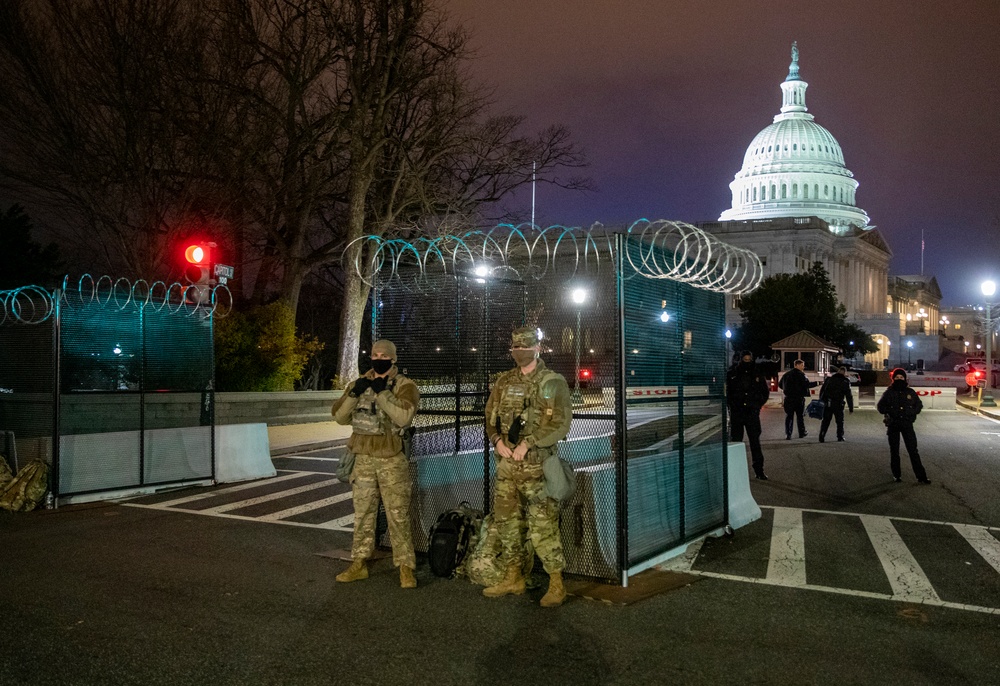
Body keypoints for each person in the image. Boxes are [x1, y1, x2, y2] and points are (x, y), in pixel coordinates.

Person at [482, 326, 573, 607]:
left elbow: (561, 423)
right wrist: (496, 440)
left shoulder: (552, 382)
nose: (519, 351)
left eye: (524, 347)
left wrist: (529, 443)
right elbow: (490, 416)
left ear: (537, 348)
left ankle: (557, 583)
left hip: (537, 467)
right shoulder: (503, 382)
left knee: (543, 525)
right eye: (515, 347)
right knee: (507, 522)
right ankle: (514, 577)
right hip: (507, 466)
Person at [331, 339, 421, 587]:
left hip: (391, 460)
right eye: (374, 354)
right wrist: (353, 393)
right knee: (362, 514)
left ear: (393, 359)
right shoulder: (357, 384)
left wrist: (382, 393)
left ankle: (405, 568)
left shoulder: (404, 386)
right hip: (363, 460)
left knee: (398, 515)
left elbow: (403, 417)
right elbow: (339, 416)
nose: (378, 358)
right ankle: (359, 563)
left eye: (383, 355)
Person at [876, 368, 930, 484]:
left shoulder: (910, 392)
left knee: (913, 451)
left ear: (905, 378)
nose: (899, 379)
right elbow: (880, 407)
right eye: (897, 378)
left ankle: (921, 476)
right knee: (894, 451)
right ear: (893, 379)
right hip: (893, 424)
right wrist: (891, 411)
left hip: (907, 424)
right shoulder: (889, 392)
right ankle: (897, 475)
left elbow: (918, 405)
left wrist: (911, 413)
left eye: (901, 377)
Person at [726, 350, 771, 480]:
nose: (746, 361)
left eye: (748, 359)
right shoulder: (732, 374)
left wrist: (757, 405)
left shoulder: (757, 373)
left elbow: (764, 392)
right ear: (740, 360)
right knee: (736, 442)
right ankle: (735, 470)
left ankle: (759, 470)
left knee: (755, 442)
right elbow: (728, 393)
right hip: (738, 412)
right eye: (744, 359)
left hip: (752, 412)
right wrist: (732, 405)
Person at [778, 359, 816, 439]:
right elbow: (807, 384)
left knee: (789, 416)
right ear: (796, 365)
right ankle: (801, 433)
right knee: (800, 416)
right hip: (799, 398)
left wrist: (787, 390)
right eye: (802, 365)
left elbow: (780, 384)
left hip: (788, 398)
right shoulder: (801, 375)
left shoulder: (786, 374)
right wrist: (818, 383)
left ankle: (788, 434)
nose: (803, 367)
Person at [818, 366, 854, 442]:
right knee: (840, 421)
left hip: (828, 403)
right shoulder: (845, 381)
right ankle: (840, 436)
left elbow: (822, 391)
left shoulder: (829, 379)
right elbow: (849, 396)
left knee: (826, 421)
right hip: (838, 404)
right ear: (844, 373)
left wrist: (821, 401)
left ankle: (822, 436)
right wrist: (851, 407)